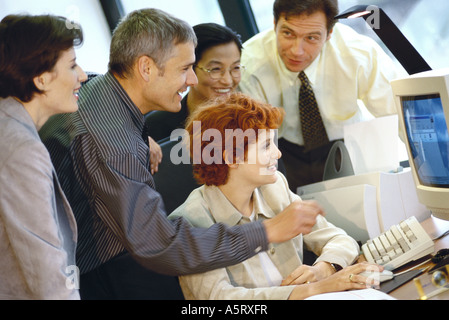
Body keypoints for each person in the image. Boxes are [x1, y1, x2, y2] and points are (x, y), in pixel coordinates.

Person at [39, 8, 326, 300]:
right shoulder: (113, 142)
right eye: (185, 68)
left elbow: (92, 83)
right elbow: (158, 244)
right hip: (93, 275)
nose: (192, 80)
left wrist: (140, 135)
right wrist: (266, 232)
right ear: (146, 68)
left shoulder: (100, 92)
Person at [168, 92, 381, 300]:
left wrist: (324, 269)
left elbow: (338, 238)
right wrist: (315, 289)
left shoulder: (274, 187)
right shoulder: (189, 223)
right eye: (266, 146)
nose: (277, 154)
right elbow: (220, 297)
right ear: (231, 158)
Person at [239, 0, 401, 192]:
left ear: (329, 34)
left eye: (312, 38)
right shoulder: (249, 63)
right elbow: (252, 141)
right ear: (274, 24)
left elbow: (398, 113)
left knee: (361, 205)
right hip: (284, 149)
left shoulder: (358, 54)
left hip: (347, 142)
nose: (296, 51)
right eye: (288, 33)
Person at [0, 14, 87, 299]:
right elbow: (47, 272)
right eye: (72, 66)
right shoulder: (20, 149)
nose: (83, 76)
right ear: (41, 79)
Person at [144, 22, 244, 143]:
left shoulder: (249, 118)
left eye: (236, 68)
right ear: (189, 68)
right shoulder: (154, 127)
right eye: (215, 69)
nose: (227, 81)